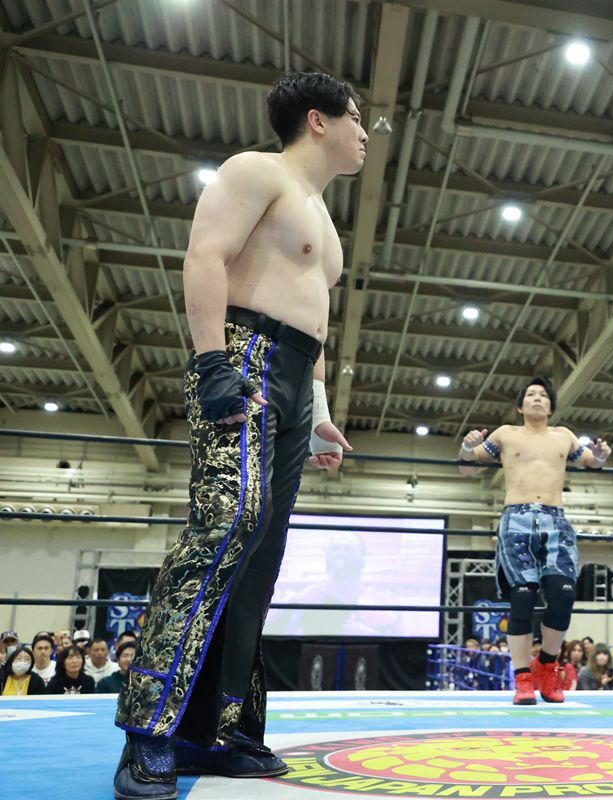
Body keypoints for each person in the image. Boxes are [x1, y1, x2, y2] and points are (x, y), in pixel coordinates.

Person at [112, 70, 365, 800]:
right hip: (242, 356)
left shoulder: (325, 222)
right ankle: (148, 732)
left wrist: (317, 410)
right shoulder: (257, 171)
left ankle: (220, 733)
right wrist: (210, 363)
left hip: (293, 376)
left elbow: (315, 325)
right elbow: (205, 257)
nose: (365, 134)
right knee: (228, 524)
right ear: (318, 120)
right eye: (356, 118)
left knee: (262, 553)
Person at [459, 377, 611, 705]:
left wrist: (600, 455)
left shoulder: (564, 436)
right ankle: (522, 678)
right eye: (530, 394)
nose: (537, 398)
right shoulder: (505, 434)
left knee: (563, 594)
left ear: (551, 406)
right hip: (517, 519)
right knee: (522, 598)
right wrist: (467, 447)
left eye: (543, 395)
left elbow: (592, 463)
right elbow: (469, 468)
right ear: (520, 405)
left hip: (556, 520)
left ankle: (547, 665)